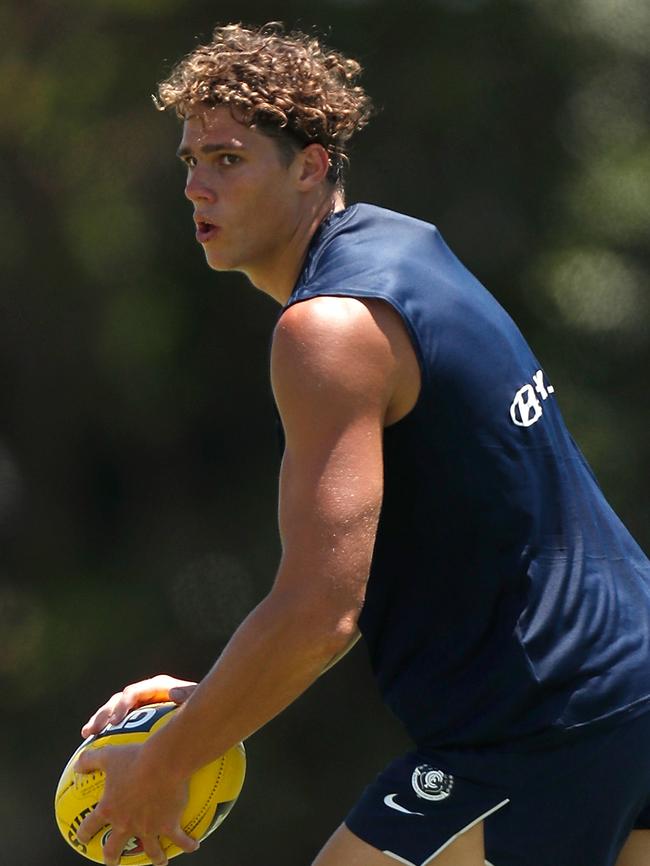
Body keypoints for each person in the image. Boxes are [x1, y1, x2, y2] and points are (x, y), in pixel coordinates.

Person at [75, 22, 650, 866]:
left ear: (311, 164)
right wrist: (213, 704)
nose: (197, 187)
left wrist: (169, 760)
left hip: (548, 722)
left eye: (229, 160)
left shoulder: (327, 331)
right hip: (622, 679)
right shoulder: (405, 245)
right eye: (190, 160)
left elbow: (319, 615)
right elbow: (390, 563)